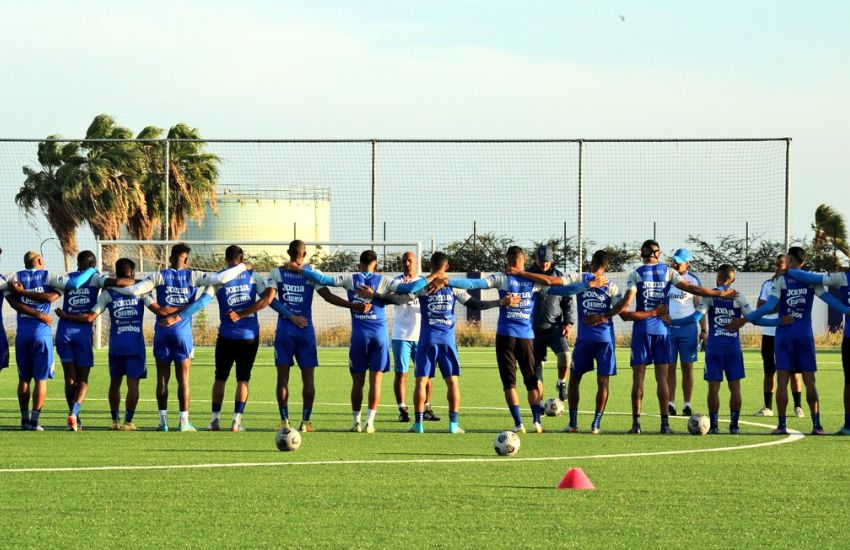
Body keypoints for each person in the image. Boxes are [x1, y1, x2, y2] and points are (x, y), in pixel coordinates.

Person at [427, 245, 601, 433]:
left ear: (508, 261)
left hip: (505, 336)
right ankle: (536, 422)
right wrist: (586, 285)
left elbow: (473, 284)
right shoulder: (533, 282)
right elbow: (564, 291)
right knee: (531, 380)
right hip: (526, 337)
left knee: (509, 383)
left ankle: (519, 423)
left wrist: (448, 281)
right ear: (524, 260)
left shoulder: (501, 279)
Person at [113, 243, 251, 432]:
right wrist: (243, 267)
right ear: (186, 259)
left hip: (162, 331)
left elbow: (134, 290)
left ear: (171, 258)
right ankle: (184, 422)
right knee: (184, 379)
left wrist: (110, 282)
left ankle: (163, 422)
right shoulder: (193, 275)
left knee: (162, 378)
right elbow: (221, 277)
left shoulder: (158, 275)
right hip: (182, 333)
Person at [380, 251, 514, 434]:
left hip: (426, 339)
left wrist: (375, 296)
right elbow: (475, 304)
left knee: (421, 381)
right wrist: (500, 302)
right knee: (452, 382)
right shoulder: (453, 287)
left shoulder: (423, 287)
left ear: (429, 266)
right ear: (448, 266)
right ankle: (453, 425)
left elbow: (399, 299)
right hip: (447, 341)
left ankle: (418, 424)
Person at [617, 240, 737, 434]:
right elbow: (694, 290)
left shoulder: (636, 274)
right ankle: (665, 425)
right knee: (662, 378)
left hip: (642, 329)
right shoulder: (668, 272)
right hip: (663, 330)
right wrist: (719, 293)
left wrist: (618, 312)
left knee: (638, 379)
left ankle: (636, 424)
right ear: (658, 254)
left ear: (642, 254)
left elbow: (627, 304)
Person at [162, 245, 278, 433]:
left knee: (220, 378)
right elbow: (268, 300)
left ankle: (215, 421)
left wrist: (177, 317)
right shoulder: (253, 277)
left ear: (226, 259)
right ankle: (236, 422)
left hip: (226, 336)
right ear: (241, 259)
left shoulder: (218, 279)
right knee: (243, 379)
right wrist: (289, 316)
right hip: (249, 336)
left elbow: (201, 302)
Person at [666, 265, 788, 434]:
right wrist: (778, 321)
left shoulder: (710, 297)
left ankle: (714, 426)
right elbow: (755, 319)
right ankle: (734, 425)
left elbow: (695, 317)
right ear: (733, 280)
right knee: (735, 388)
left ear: (717, 278)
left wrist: (672, 321)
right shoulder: (739, 297)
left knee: (713, 388)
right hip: (733, 350)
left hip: (714, 350)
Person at [744, 247, 850, 435]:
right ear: (804, 262)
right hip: (804, 334)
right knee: (810, 380)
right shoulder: (810, 281)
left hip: (784, 334)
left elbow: (768, 306)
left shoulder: (781, 279)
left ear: (790, 258)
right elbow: (829, 300)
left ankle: (782, 425)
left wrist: (748, 317)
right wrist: (847, 310)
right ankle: (816, 425)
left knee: (782, 379)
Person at [293, 249, 402, 433]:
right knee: (376, 382)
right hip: (380, 336)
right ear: (375, 265)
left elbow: (323, 280)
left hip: (359, 337)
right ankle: (370, 423)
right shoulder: (384, 280)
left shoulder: (351, 278)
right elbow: (404, 294)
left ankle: (356, 422)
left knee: (357, 382)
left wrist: (301, 270)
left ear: (359, 265)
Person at [267, 240, 369, 432]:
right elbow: (329, 297)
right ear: (304, 255)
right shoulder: (311, 274)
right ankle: (305, 422)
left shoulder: (277, 272)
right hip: (306, 331)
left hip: (284, 331)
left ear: (288, 252)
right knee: (308, 378)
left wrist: (290, 316)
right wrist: (354, 305)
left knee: (282, 378)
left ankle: (284, 421)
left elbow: (270, 300)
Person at [55, 258, 165, 431]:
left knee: (115, 382)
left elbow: (90, 317)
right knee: (133, 384)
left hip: (116, 344)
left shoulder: (107, 294)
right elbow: (158, 310)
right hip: (135, 343)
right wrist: (178, 313)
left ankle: (114, 421)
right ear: (132, 272)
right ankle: (128, 423)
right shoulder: (142, 292)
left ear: (117, 272)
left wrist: (67, 316)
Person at [4, 251, 97, 430]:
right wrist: (92, 270)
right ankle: (34, 421)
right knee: (41, 379)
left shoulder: (13, 277)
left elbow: (13, 303)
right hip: (42, 334)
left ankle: (24, 421)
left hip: (22, 335)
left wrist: (21, 291)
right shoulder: (49, 276)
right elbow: (73, 285)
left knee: (24, 379)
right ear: (39, 260)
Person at [780, 264, 850, 435]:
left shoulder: (843, 277)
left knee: (849, 383)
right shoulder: (842, 276)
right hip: (806, 336)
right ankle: (822, 425)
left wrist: (787, 270)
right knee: (812, 380)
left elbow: (813, 279)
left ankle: (848, 426)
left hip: (848, 337)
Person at [565, 250, 627, 434]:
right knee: (603, 381)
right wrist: (604, 315)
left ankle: (573, 423)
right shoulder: (612, 286)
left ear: (591, 263)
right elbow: (621, 309)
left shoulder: (582, 282)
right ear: (607, 267)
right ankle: (596, 424)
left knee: (575, 378)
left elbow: (565, 290)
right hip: (605, 339)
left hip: (585, 340)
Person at [388, 251, 438, 423]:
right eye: (404, 261)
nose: (407, 263)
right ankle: (402, 409)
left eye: (410, 260)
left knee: (425, 375)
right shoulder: (396, 282)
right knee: (401, 374)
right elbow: (394, 297)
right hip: (400, 335)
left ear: (416, 263)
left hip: (421, 335)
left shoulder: (424, 282)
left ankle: (426, 407)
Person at [754, 254, 805, 418]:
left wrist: (774, 306)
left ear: (788, 265)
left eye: (780, 264)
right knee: (769, 371)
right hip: (769, 334)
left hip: (789, 334)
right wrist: (780, 307)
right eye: (775, 264)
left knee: (794, 371)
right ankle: (768, 407)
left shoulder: (794, 285)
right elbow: (760, 306)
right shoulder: (768, 284)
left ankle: (798, 406)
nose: (776, 267)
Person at [529, 245, 575, 403]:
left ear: (551, 260)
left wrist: (568, 322)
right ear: (536, 260)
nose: (544, 264)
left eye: (547, 261)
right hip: (532, 330)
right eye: (541, 261)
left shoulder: (559, 277)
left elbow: (568, 300)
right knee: (537, 368)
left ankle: (561, 383)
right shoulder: (528, 276)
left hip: (555, 328)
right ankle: (540, 404)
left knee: (566, 356)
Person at [664, 248, 706, 418]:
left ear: (687, 263)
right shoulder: (666, 279)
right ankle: (670, 403)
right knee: (669, 367)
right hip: (668, 330)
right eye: (674, 261)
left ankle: (687, 404)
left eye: (679, 261)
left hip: (688, 330)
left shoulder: (693, 280)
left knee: (687, 367)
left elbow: (700, 307)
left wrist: (704, 330)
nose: (675, 264)